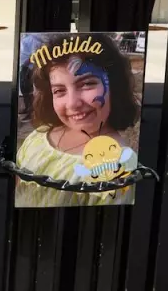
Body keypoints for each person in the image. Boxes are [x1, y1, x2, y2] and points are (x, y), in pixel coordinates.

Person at [15, 33, 140, 207]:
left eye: (87, 84)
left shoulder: (117, 166)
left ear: (115, 86)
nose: (73, 103)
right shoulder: (40, 135)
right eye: (59, 90)